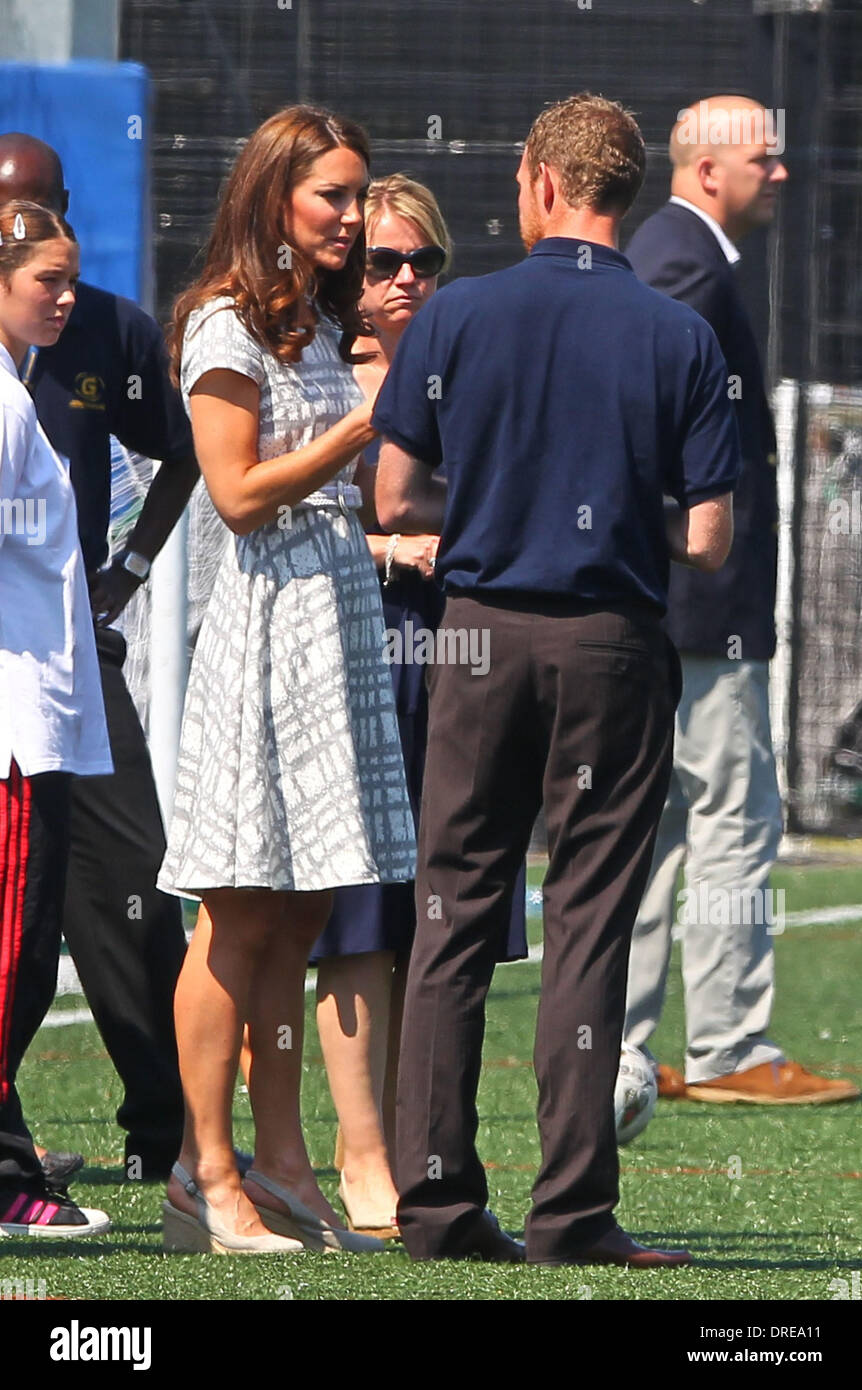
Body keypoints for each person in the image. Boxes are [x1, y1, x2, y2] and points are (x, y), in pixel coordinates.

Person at [375, 92, 738, 1267]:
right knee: (588, 924)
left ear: (537, 182)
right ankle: (570, 1213)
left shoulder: (458, 313)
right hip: (610, 647)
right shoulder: (678, 334)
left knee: (449, 920)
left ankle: (432, 1207)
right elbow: (708, 540)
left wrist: (484, 507)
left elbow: (392, 498)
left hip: (475, 633)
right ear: (623, 199)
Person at [157, 105, 417, 1255]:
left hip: (335, 626)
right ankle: (202, 1174)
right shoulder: (221, 322)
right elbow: (236, 493)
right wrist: (361, 427)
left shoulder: (314, 321)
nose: (354, 217)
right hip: (264, 629)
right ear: (274, 197)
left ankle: (283, 1164)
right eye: (334, 196)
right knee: (236, 907)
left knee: (305, 903)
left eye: (358, 195)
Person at [623, 96, 859, 1105]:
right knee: (728, 814)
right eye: (764, 157)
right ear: (706, 167)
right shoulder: (682, 257)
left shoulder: (687, 252)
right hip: (693, 602)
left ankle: (622, 1043)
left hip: (677, 599)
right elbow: (645, 411)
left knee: (664, 824)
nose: (781, 172)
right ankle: (725, 1044)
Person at [309, 175, 528, 1239]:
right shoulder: (324, 372)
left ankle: (423, 1146)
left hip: (464, 644)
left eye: (422, 262)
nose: (402, 281)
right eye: (380, 262)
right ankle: (361, 1156)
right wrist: (390, 543)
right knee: (358, 909)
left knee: (442, 912)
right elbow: (260, 516)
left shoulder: (469, 364)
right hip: (358, 649)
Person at [0, 132, 200, 1183]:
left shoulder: (103, 327)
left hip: (75, 651)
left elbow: (180, 456)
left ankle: (167, 1135)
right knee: (12, 914)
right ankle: (11, 1145)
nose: (35, 251)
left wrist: (122, 572)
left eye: (43, 214)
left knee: (132, 873)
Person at [0, 199, 112, 1236]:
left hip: (43, 716)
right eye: (49, 280)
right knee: (14, 958)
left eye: (74, 279)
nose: (68, 297)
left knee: (26, 957)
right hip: (15, 728)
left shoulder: (23, 389)